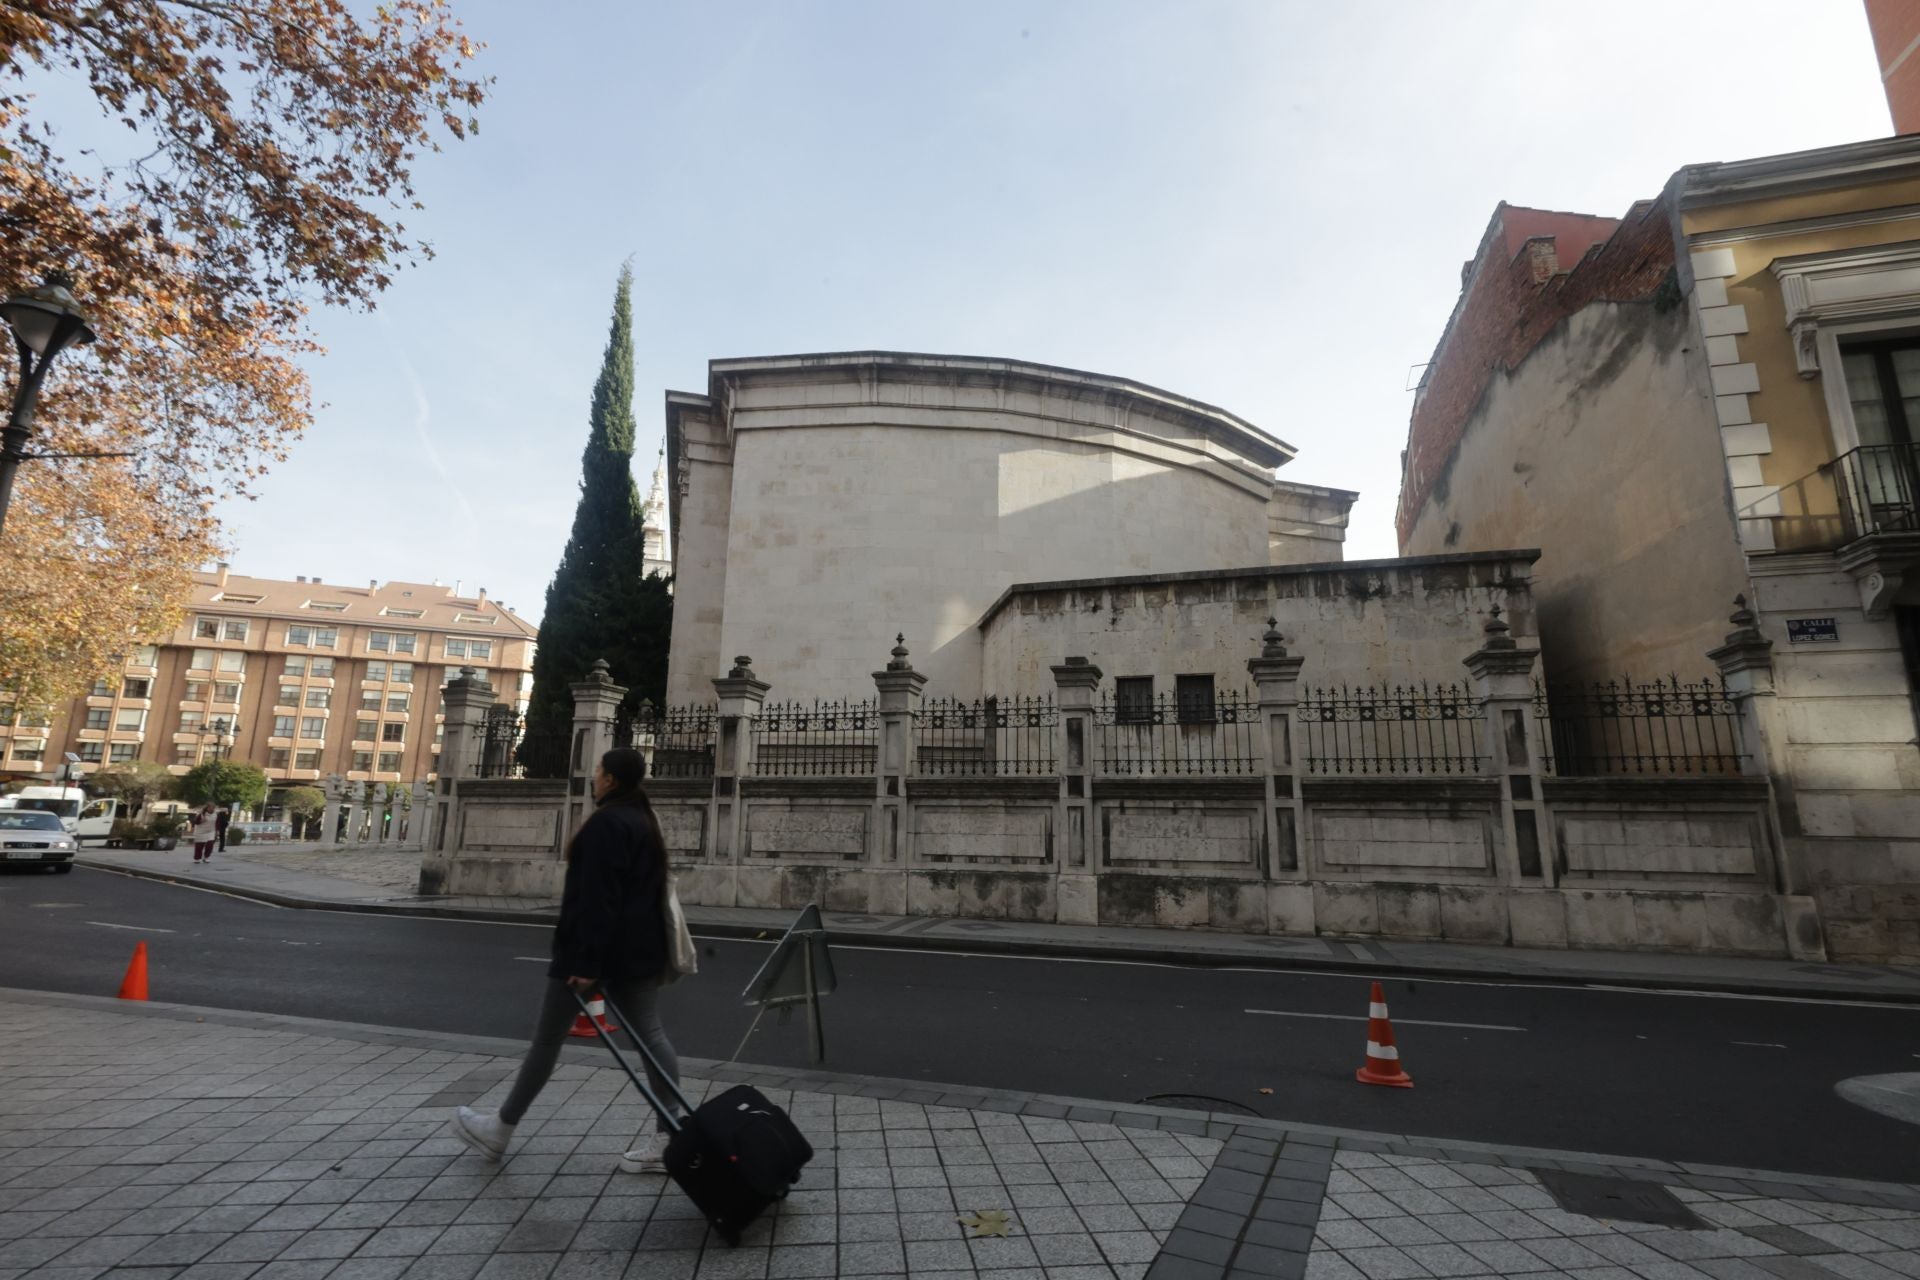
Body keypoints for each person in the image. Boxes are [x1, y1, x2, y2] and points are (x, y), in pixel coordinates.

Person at [450, 747, 684, 1173]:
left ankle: (499, 1129)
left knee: (547, 1041)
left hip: (590, 955)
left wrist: (587, 962)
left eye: (598, 770)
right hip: (638, 950)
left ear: (611, 779)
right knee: (650, 1035)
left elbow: (598, 901)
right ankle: (670, 1133)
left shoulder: (607, 824)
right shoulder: (643, 821)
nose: (593, 776)